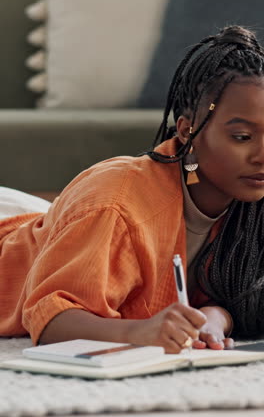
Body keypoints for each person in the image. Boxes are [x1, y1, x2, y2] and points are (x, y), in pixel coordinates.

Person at [1, 25, 264, 353]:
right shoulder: (114, 203)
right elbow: (51, 319)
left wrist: (213, 318)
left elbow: (230, 293)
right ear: (187, 131)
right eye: (242, 137)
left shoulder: (248, 200)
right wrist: (141, 332)